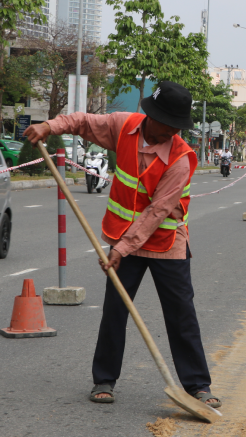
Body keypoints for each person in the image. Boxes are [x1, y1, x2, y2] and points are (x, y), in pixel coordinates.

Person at [24, 81, 220, 409]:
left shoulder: (181, 159)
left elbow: (158, 212)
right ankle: (104, 379)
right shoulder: (123, 126)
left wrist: (121, 248)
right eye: (168, 125)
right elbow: (84, 122)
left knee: (181, 314)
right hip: (123, 239)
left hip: (166, 242)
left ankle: (197, 385)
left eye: (177, 127)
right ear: (151, 116)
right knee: (115, 310)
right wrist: (50, 126)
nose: (173, 132)